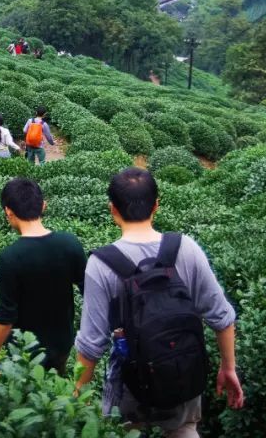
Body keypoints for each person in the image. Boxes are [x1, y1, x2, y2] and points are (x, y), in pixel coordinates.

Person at [74, 168, 244, 433]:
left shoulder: (101, 264)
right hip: (182, 373)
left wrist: (75, 400)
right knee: (185, 429)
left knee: (127, 432)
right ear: (156, 205)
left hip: (131, 386)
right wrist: (228, 368)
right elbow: (221, 317)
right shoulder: (186, 248)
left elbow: (91, 345)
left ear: (112, 210)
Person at [0, 178, 86, 376]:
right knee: (57, 388)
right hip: (63, 343)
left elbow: (6, 317)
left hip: (24, 350)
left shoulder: (10, 257)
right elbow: (89, 292)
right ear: (43, 205)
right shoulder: (70, 243)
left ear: (8, 212)